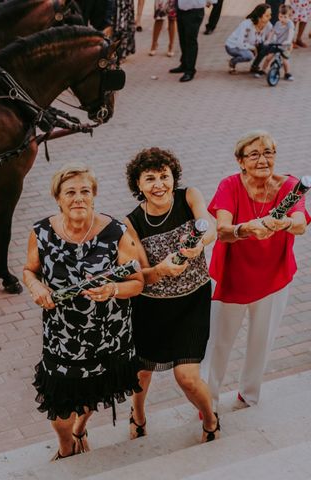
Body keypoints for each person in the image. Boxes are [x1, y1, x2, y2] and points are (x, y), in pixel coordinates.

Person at [23, 163, 144, 460]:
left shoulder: (116, 231)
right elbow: (29, 270)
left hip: (108, 336)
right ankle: (67, 448)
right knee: (59, 408)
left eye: (85, 191)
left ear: (94, 195)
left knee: (94, 392)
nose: (78, 198)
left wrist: (113, 290)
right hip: (62, 337)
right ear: (58, 198)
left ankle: (81, 428)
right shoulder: (41, 232)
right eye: (70, 192)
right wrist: (36, 287)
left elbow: (137, 282)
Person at [201, 131, 310, 412]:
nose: (263, 159)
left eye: (268, 152)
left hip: (274, 277)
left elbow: (300, 222)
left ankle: (249, 396)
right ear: (241, 161)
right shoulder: (229, 185)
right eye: (254, 154)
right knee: (217, 345)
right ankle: (207, 403)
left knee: (262, 341)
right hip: (232, 279)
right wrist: (247, 228)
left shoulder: (290, 185)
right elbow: (223, 231)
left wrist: (281, 223)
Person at [124, 148, 219, 443]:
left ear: (173, 177)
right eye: (149, 178)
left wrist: (199, 243)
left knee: (187, 377)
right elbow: (142, 275)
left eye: (164, 176)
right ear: (138, 185)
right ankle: (138, 414)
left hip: (192, 302)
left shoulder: (188, 196)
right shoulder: (131, 223)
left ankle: (210, 419)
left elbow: (211, 226)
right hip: (152, 309)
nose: (159, 184)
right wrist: (162, 270)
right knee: (141, 374)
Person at [170, 0, 217, 82]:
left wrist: (210, 1)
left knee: (190, 40)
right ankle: (184, 63)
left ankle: (190, 70)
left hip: (194, 9)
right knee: (182, 37)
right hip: (181, 8)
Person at [224, 3, 272, 75]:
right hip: (233, 46)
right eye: (267, 15)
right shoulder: (247, 25)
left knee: (266, 47)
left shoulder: (268, 25)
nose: (270, 17)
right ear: (259, 17)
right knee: (248, 56)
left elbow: (273, 36)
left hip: (250, 44)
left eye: (270, 15)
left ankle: (254, 67)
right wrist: (253, 48)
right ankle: (232, 62)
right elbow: (240, 43)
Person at [255, 4, 295, 80]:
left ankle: (287, 73)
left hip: (285, 45)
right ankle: (263, 70)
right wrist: (268, 40)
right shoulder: (278, 23)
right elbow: (272, 32)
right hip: (277, 44)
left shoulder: (290, 24)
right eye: (280, 16)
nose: (282, 19)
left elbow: (291, 32)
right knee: (268, 58)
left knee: (285, 60)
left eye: (285, 17)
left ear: (289, 17)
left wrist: (288, 40)